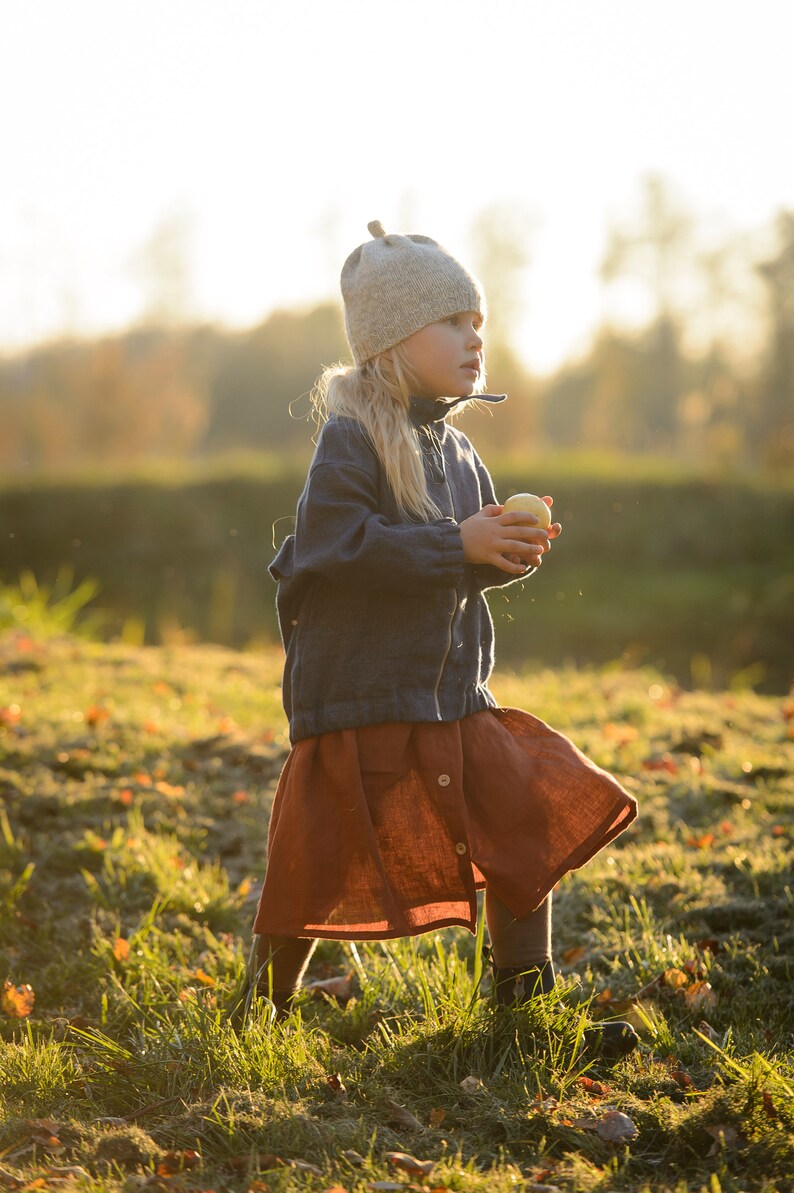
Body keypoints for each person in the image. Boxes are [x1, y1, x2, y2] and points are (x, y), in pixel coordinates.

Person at [250, 221, 639, 1058]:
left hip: (454, 699)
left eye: (478, 324)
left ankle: (524, 1010)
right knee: (319, 857)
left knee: (522, 816)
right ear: (392, 340)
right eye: (453, 322)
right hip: (360, 696)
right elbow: (337, 546)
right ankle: (261, 1007)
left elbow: (455, 563)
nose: (474, 340)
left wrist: (501, 552)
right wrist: (457, 543)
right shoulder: (350, 439)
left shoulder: (458, 449)